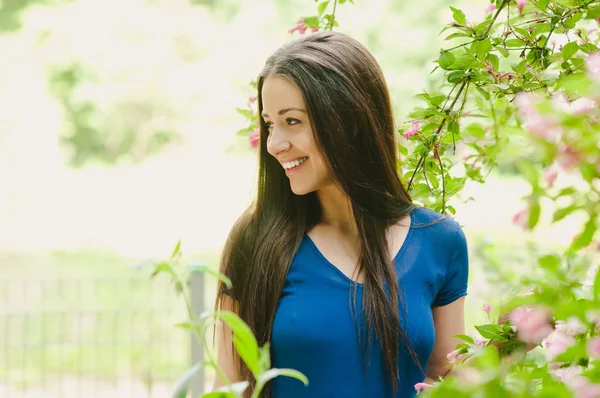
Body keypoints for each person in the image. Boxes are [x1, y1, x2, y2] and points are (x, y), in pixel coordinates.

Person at [213, 30, 469, 398]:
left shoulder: (439, 239)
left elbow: (444, 379)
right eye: (270, 123)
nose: (274, 144)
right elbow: (228, 389)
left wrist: (512, 344)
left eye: (293, 121)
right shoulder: (256, 240)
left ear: (348, 120)